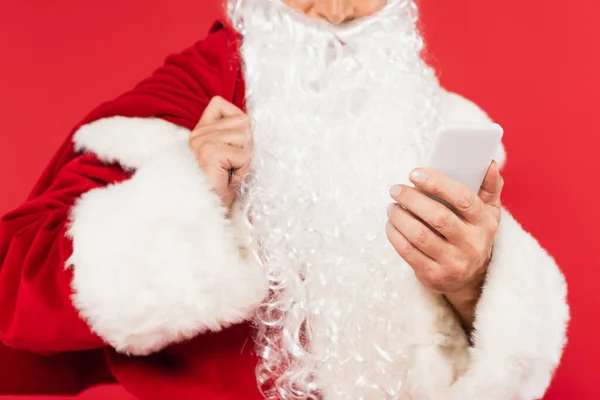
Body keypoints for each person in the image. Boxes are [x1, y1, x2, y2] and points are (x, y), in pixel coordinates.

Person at [0, 0, 569, 399]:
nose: (339, 13)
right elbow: (19, 279)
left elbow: (497, 356)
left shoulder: (437, 119)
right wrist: (188, 192)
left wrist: (472, 283)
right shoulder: (189, 97)